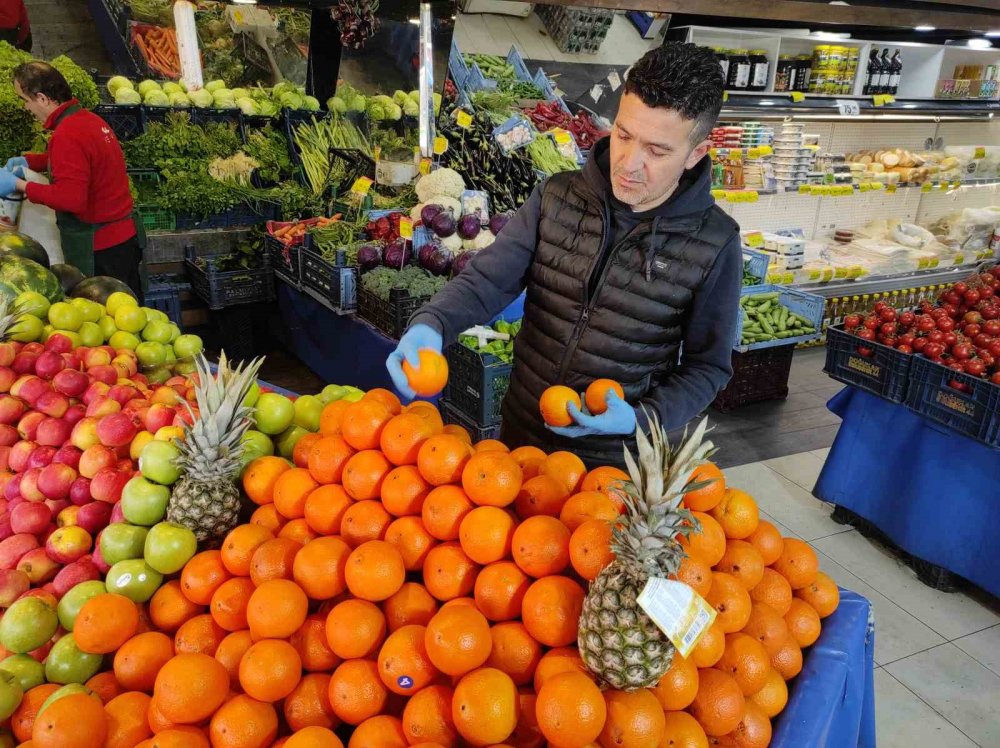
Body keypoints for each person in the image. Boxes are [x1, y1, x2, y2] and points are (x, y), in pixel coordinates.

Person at [387, 42, 742, 469]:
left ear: (696, 153)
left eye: (657, 151)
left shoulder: (715, 243)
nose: (628, 163)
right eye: (624, 135)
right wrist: (433, 323)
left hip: (614, 462)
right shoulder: (557, 195)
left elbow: (708, 367)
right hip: (521, 437)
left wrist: (641, 418)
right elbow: (487, 281)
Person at [0, 61, 143, 297]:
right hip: (123, 241)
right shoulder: (88, 121)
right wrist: (30, 161)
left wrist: (20, 185)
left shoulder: (67, 133)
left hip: (100, 249)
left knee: (108, 321)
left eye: (25, 100)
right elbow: (80, 161)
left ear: (43, 99)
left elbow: (71, 200)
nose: (26, 108)